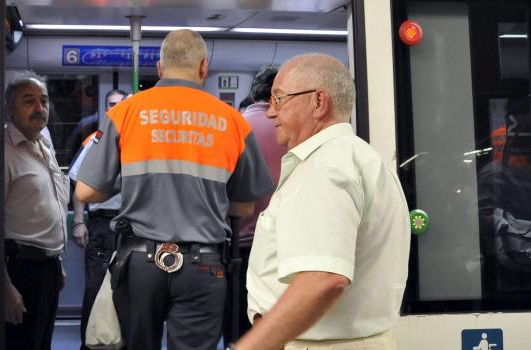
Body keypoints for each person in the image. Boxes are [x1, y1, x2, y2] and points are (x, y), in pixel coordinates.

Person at [76, 29, 274, 350]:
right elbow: (244, 208)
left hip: (139, 263)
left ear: (159, 68)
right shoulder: (233, 122)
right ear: (203, 67)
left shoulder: (125, 113)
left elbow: (86, 193)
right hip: (205, 265)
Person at [231, 54, 410, 350]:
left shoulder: (327, 168)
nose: (270, 113)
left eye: (279, 99)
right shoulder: (356, 156)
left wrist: (252, 346)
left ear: (318, 102)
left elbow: (324, 278)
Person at [3, 71, 69, 350]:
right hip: (20, 270)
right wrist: (4, 287)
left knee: (43, 343)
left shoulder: (44, 145)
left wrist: (56, 260)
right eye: (29, 101)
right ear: (10, 110)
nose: (39, 108)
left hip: (49, 267)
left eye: (44, 101)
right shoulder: (3, 151)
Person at [224, 65, 285, 343]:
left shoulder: (232, 125)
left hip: (238, 245)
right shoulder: (296, 130)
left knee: (239, 328)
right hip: (284, 247)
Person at [68, 89, 128, 350]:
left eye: (119, 105)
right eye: (110, 105)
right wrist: (79, 222)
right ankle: (89, 345)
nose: (114, 109)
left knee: (127, 293)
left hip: (130, 225)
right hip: (102, 223)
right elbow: (79, 184)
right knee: (95, 291)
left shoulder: (136, 140)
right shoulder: (95, 140)